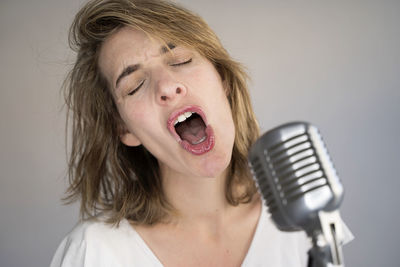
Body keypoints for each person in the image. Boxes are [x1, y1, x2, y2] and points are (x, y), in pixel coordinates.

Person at [50, 0, 310, 266]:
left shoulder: (304, 216)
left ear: (223, 80)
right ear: (124, 128)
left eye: (181, 60)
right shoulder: (96, 251)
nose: (167, 86)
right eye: (135, 85)